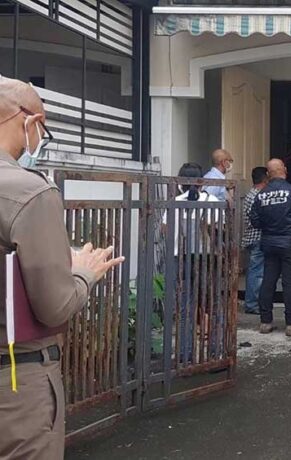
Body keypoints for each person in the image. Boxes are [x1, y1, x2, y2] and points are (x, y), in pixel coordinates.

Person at [0, 77, 124, 459]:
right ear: (29, 121)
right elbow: (54, 306)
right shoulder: (28, 190)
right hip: (15, 379)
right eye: (43, 129)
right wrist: (84, 272)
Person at [250, 159, 291, 337]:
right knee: (290, 284)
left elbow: (254, 221)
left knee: (268, 281)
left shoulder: (261, 195)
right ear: (284, 169)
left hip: (269, 243)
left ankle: (265, 322)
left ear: (268, 174)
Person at [164, 162, 220, 361]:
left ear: (181, 182)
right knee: (213, 305)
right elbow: (218, 230)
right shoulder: (212, 200)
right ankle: (216, 352)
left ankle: (184, 354)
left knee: (184, 308)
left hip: (180, 259)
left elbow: (165, 230)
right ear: (201, 181)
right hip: (206, 259)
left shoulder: (174, 202)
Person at [242, 166, 268, 315]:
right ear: (265, 179)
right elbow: (258, 219)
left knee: (256, 271)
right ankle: (252, 304)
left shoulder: (252, 194)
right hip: (257, 237)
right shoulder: (256, 196)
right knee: (257, 272)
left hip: (253, 238)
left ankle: (254, 302)